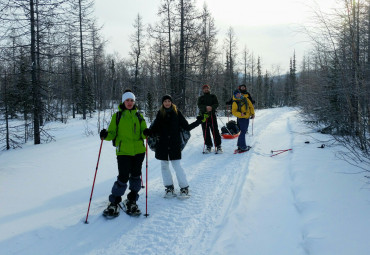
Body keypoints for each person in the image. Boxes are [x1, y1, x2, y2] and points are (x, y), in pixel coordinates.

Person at [143, 95, 207, 196]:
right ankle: (169, 188)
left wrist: (198, 121)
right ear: (162, 103)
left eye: (169, 101)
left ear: (171, 102)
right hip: (162, 144)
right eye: (165, 101)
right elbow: (155, 130)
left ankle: (184, 188)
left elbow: (186, 127)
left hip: (174, 144)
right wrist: (149, 132)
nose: (167, 103)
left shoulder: (177, 113)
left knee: (177, 166)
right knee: (164, 166)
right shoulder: (160, 114)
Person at [99, 90, 147, 216]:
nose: (130, 102)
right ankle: (114, 202)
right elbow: (112, 133)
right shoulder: (118, 116)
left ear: (134, 102)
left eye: (131, 100)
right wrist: (105, 135)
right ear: (123, 102)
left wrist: (147, 133)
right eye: (127, 100)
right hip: (123, 152)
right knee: (123, 177)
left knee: (136, 176)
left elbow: (143, 132)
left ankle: (131, 200)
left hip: (139, 151)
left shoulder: (139, 116)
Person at [197, 84, 223, 154]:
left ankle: (218, 146)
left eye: (207, 88)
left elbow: (216, 104)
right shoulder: (201, 98)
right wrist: (206, 107)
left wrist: (212, 107)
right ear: (203, 90)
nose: (206, 89)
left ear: (209, 89)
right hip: (204, 116)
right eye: (205, 88)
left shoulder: (213, 96)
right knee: (205, 131)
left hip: (212, 115)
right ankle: (208, 146)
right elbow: (199, 105)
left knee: (215, 130)